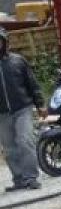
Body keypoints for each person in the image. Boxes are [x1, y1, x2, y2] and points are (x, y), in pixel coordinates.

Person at [0, 26, 43, 191]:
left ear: (5, 42)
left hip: (22, 108)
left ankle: (31, 178)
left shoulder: (18, 61)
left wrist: (40, 104)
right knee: (10, 148)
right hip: (2, 113)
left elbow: (32, 84)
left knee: (25, 141)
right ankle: (18, 179)